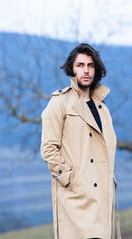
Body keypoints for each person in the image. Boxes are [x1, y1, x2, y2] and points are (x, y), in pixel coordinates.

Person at [40, 43, 119, 239]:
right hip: (75, 196)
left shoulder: (102, 107)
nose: (86, 70)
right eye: (80, 65)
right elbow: (48, 148)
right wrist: (69, 178)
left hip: (101, 194)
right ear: (71, 69)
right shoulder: (59, 103)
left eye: (90, 65)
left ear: (96, 70)